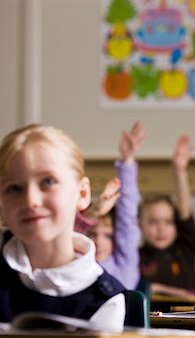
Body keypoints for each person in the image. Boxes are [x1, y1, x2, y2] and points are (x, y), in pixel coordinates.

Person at [0, 124, 127, 331]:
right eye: (14, 188)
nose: (31, 200)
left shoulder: (106, 300)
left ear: (82, 194)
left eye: (48, 181)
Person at [76, 121, 144, 290]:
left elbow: (127, 215)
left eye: (107, 235)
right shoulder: (76, 264)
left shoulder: (124, 263)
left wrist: (127, 162)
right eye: (92, 234)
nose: (99, 241)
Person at [139, 135, 195, 297]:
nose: (161, 229)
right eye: (153, 222)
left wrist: (179, 170)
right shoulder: (136, 256)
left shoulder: (184, 249)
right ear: (140, 225)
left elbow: (185, 211)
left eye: (168, 222)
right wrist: (169, 291)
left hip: (190, 319)